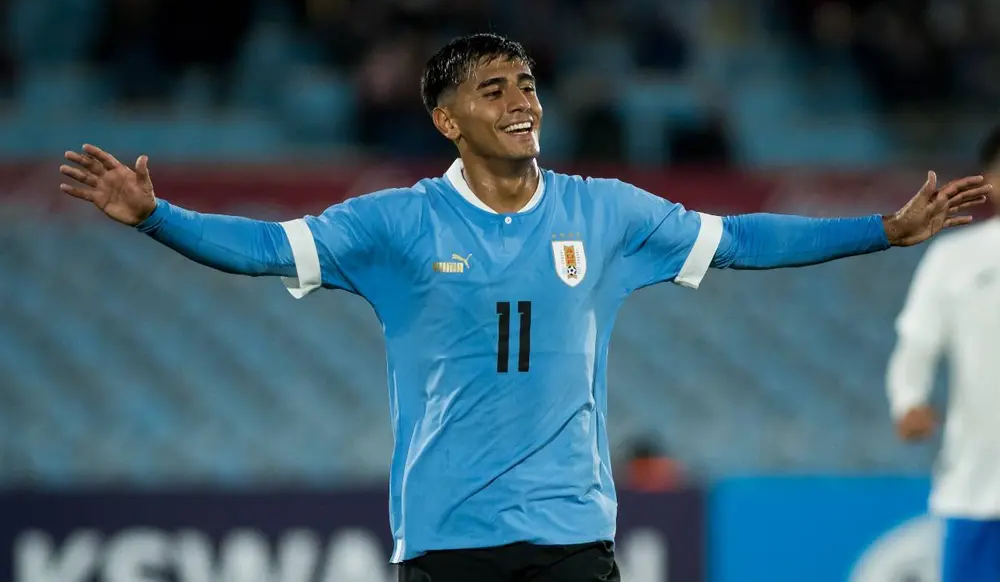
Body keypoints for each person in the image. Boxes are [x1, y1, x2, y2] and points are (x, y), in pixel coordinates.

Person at [59, 33, 989, 582]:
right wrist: (158, 219)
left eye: (529, 85)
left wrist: (883, 230)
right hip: (447, 539)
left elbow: (743, 238)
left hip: (572, 537)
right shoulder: (397, 223)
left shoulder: (607, 212)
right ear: (447, 120)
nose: (521, 101)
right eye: (493, 89)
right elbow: (267, 249)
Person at [886, 125, 1000, 582]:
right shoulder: (955, 257)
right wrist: (908, 401)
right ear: (989, 180)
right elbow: (916, 341)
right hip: (979, 481)